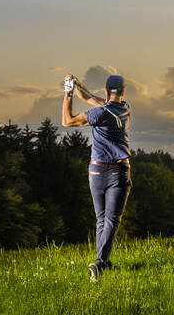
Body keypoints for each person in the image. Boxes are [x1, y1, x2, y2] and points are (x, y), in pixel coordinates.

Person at [62, 74, 132, 281]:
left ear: (105, 89)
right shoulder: (125, 108)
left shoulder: (99, 113)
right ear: (123, 92)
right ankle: (100, 263)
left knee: (102, 219)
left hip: (96, 171)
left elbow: (67, 121)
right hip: (118, 172)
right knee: (111, 219)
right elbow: (89, 97)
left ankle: (103, 261)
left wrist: (68, 91)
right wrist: (78, 85)